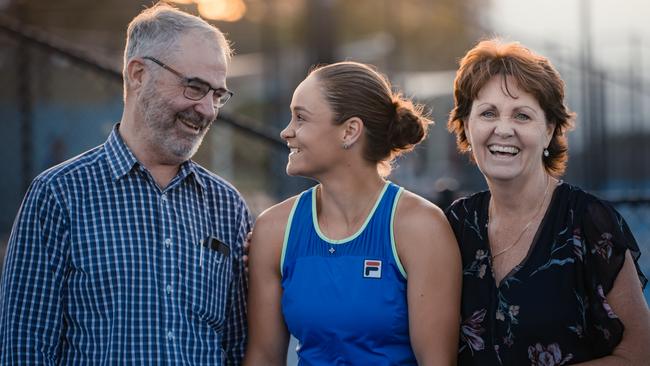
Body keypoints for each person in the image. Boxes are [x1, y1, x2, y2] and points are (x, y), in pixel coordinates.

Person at [0, 3, 250, 364]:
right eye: (195, 87)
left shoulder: (228, 206)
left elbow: (240, 347)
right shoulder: (58, 194)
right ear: (138, 74)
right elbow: (25, 349)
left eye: (217, 95)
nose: (208, 109)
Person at [446, 39, 650, 365]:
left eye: (522, 116)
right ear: (467, 127)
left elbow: (639, 354)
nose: (503, 129)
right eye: (488, 113)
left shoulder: (589, 223)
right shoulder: (455, 225)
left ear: (549, 130)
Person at [244, 61, 461, 365]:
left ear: (349, 131)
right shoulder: (273, 229)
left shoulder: (420, 227)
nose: (286, 132)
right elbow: (263, 357)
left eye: (300, 118)